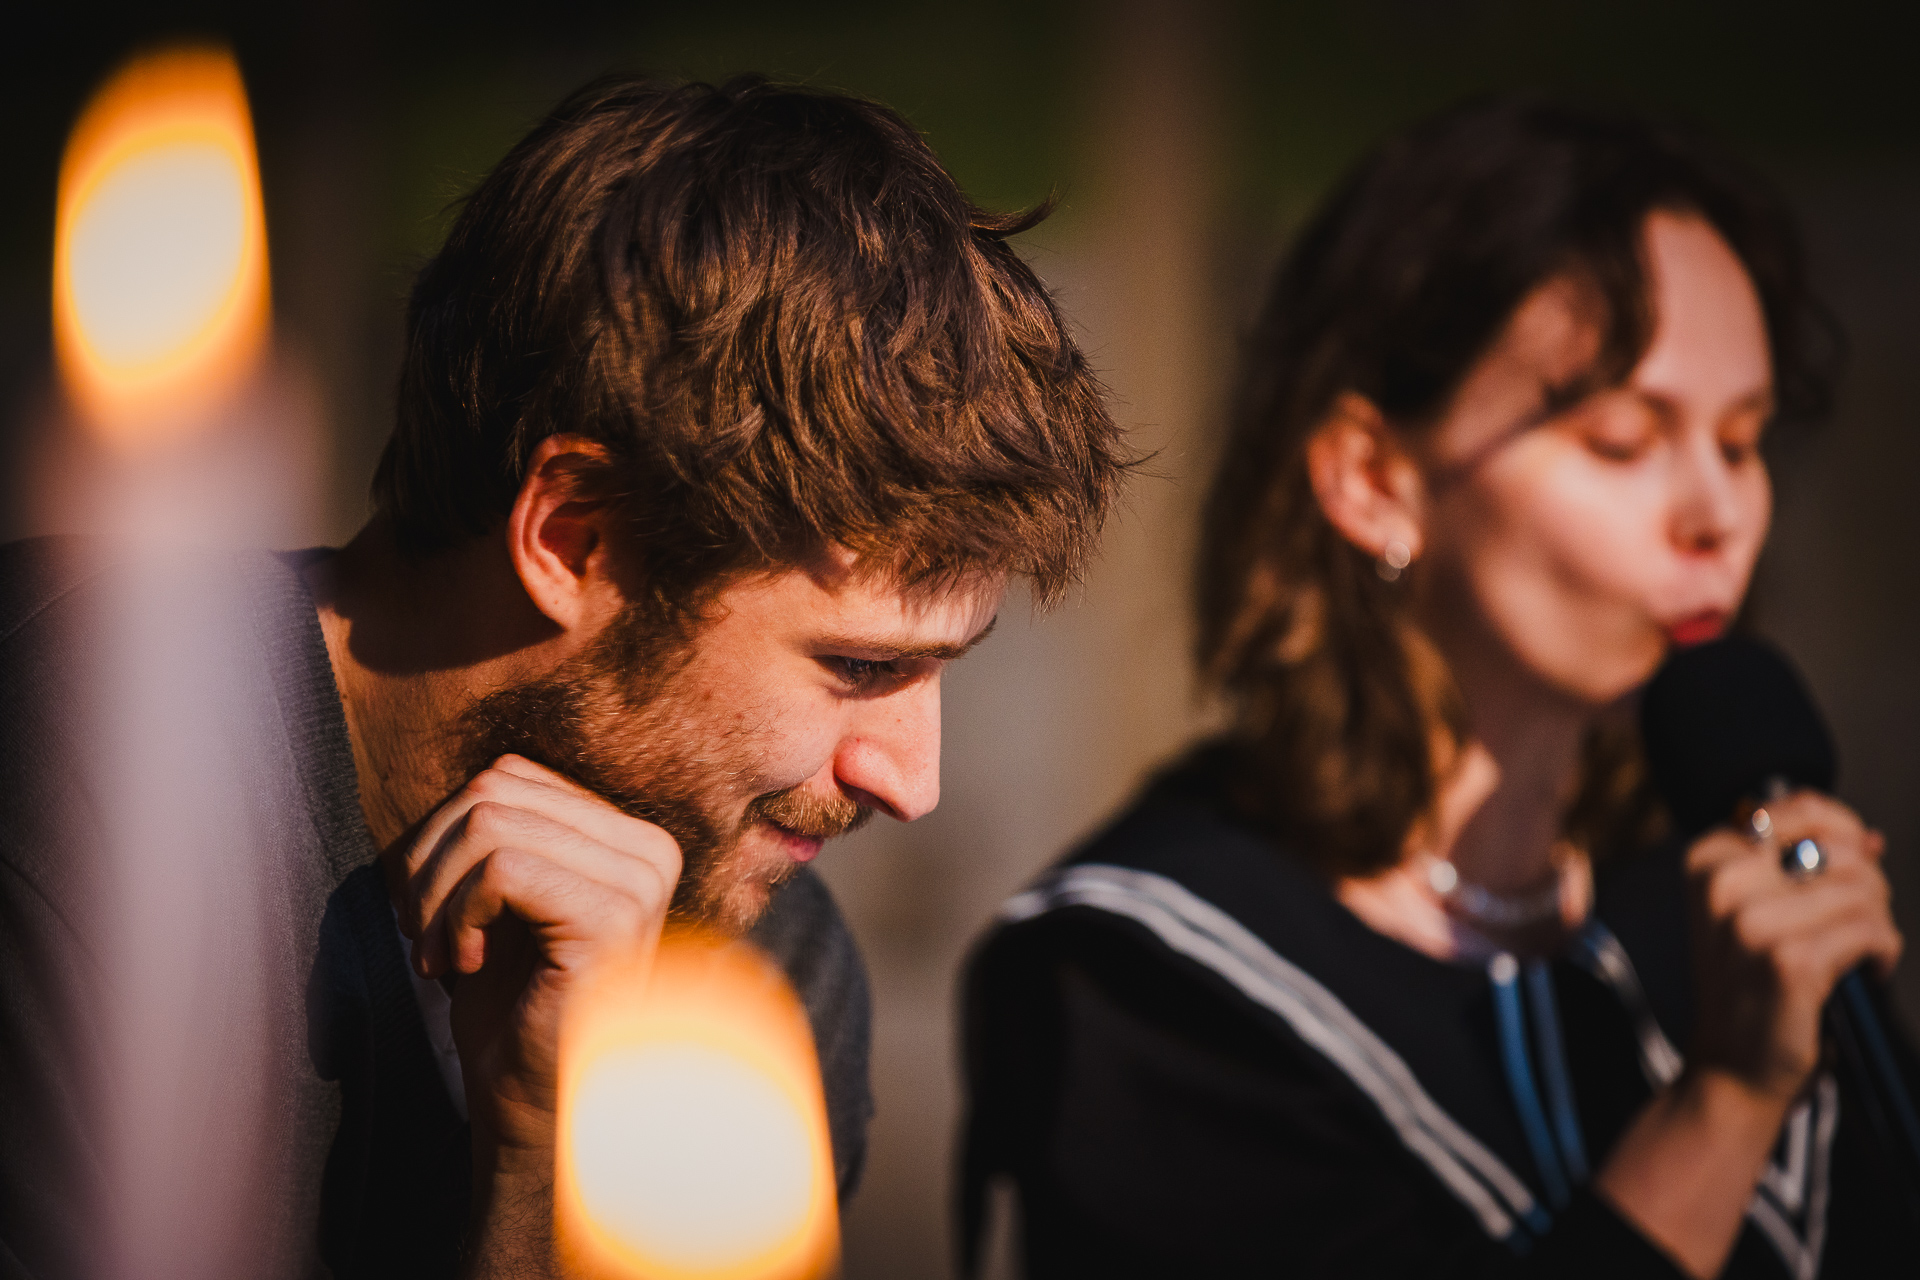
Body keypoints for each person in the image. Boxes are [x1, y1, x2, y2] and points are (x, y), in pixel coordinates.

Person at [0, 74, 1125, 1278]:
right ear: (573, 536)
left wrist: (540, 1166)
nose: (912, 781)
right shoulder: (73, 791)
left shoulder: (763, 970)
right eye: (858, 663)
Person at [961, 96, 1920, 1278]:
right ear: (1372, 477)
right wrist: (1724, 1101)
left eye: (1741, 440)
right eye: (1624, 440)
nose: (1718, 514)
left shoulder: (1709, 889)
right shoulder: (1153, 975)